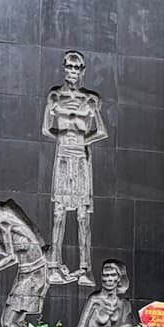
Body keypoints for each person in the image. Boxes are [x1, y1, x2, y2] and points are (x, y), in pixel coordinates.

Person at [41, 50, 108, 284]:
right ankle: (54, 265)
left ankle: (85, 268)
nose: (72, 71)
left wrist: (81, 140)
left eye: (76, 67)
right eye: (69, 66)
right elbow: (46, 129)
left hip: (80, 157)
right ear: (64, 68)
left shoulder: (90, 100)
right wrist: (62, 137)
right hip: (63, 155)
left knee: (82, 215)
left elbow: (101, 131)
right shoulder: (54, 97)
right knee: (59, 212)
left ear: (82, 71)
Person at [0, 192, 73, 327]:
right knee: (16, 324)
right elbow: (17, 248)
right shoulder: (7, 212)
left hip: (32, 273)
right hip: (33, 271)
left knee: (8, 324)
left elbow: (11, 256)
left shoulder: (3, 219)